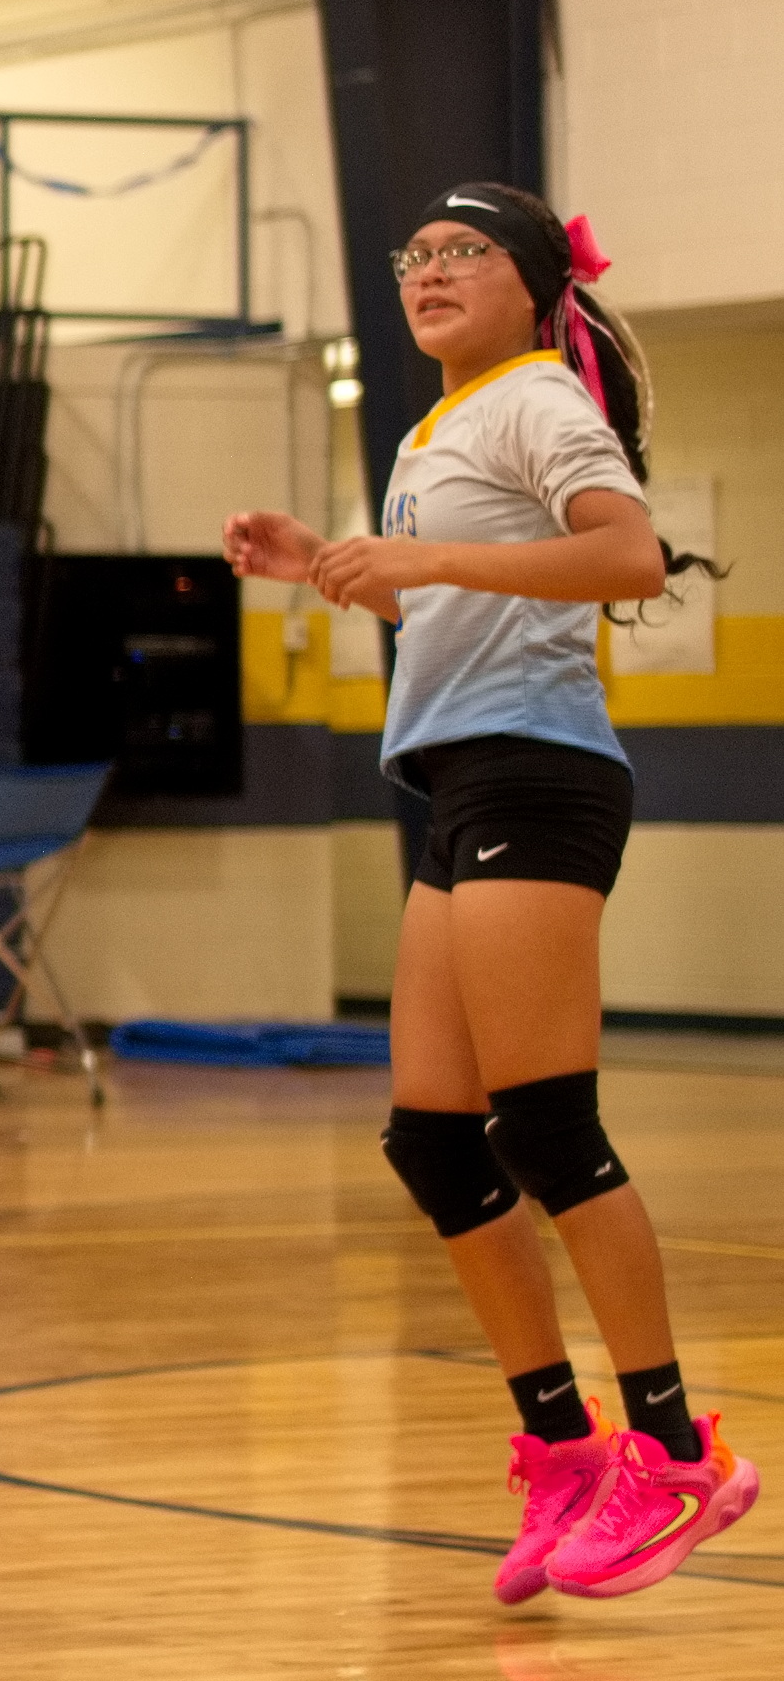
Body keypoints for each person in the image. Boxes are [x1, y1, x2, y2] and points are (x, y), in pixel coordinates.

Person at [225, 184, 754, 1605]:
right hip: (457, 786)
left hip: (538, 773)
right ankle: (562, 1446)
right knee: (433, 1140)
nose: (429, 270)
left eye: (464, 251)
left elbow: (623, 556)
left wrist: (430, 554)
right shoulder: (426, 433)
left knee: (544, 1123)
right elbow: (451, 594)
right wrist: (330, 569)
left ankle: (670, 1450)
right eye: (414, 254)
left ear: (533, 290)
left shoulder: (534, 403)